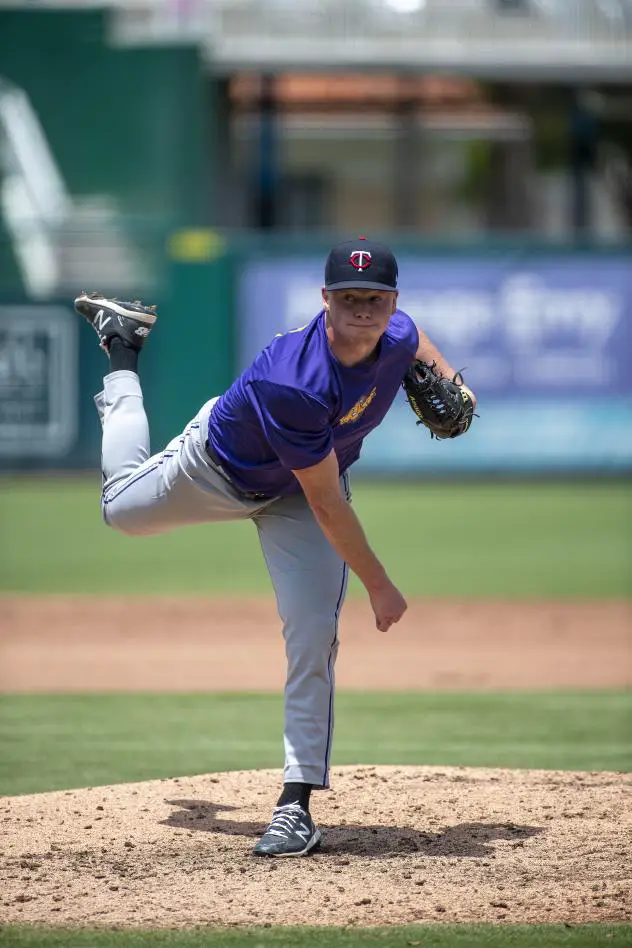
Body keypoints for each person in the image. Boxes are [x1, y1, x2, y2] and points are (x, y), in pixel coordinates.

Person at [74, 237, 475, 858]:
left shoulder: (396, 333)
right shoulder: (295, 380)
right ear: (324, 300)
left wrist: (453, 382)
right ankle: (122, 349)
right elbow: (326, 503)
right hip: (221, 469)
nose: (363, 311)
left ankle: (296, 805)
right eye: (349, 298)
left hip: (300, 491)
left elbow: (416, 340)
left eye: (375, 299)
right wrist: (379, 583)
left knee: (312, 632)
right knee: (120, 511)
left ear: (392, 301)